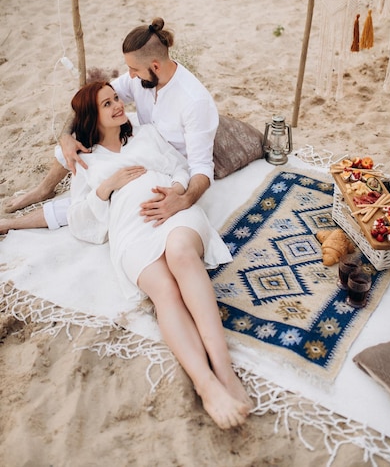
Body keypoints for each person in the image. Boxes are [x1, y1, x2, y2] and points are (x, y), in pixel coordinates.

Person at [67, 80, 252, 429]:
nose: (118, 105)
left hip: (172, 210)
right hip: (130, 227)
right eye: (107, 104)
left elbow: (181, 167)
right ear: (93, 117)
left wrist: (176, 193)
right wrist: (108, 186)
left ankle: (224, 370)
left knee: (181, 253)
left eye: (117, 98)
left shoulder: (145, 134)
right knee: (164, 291)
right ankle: (205, 384)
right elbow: (79, 221)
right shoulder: (86, 162)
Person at [1, 17, 218, 233]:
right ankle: (44, 189)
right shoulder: (142, 77)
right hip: (143, 139)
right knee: (84, 131)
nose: (130, 75)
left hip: (162, 160)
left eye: (133, 69)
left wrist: (184, 200)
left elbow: (202, 167)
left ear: (155, 66)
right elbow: (89, 103)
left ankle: (14, 224)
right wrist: (67, 136)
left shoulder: (194, 101)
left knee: (94, 200)